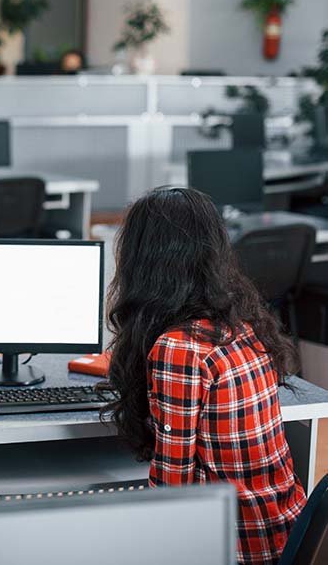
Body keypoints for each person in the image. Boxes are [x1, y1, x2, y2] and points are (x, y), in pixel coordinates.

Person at [104, 187, 307, 565]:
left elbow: (172, 487)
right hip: (285, 530)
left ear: (140, 259)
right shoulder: (243, 324)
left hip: (238, 546)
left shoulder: (181, 347)